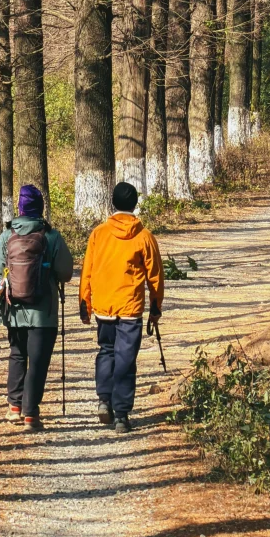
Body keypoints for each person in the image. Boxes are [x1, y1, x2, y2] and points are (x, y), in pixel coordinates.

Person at [0, 184, 74, 433]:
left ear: (20, 207)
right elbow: (66, 273)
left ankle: (14, 407)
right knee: (37, 361)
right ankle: (31, 414)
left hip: (14, 310)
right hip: (43, 313)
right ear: (40, 207)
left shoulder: (7, 236)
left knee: (17, 354)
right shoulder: (51, 236)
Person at [79, 181, 165, 433]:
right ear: (135, 204)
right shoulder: (144, 237)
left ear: (113, 203)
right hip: (130, 309)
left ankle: (104, 401)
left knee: (106, 351)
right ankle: (122, 416)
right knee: (126, 359)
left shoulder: (98, 234)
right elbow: (155, 277)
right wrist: (156, 307)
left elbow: (88, 271)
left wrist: (85, 303)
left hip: (104, 307)